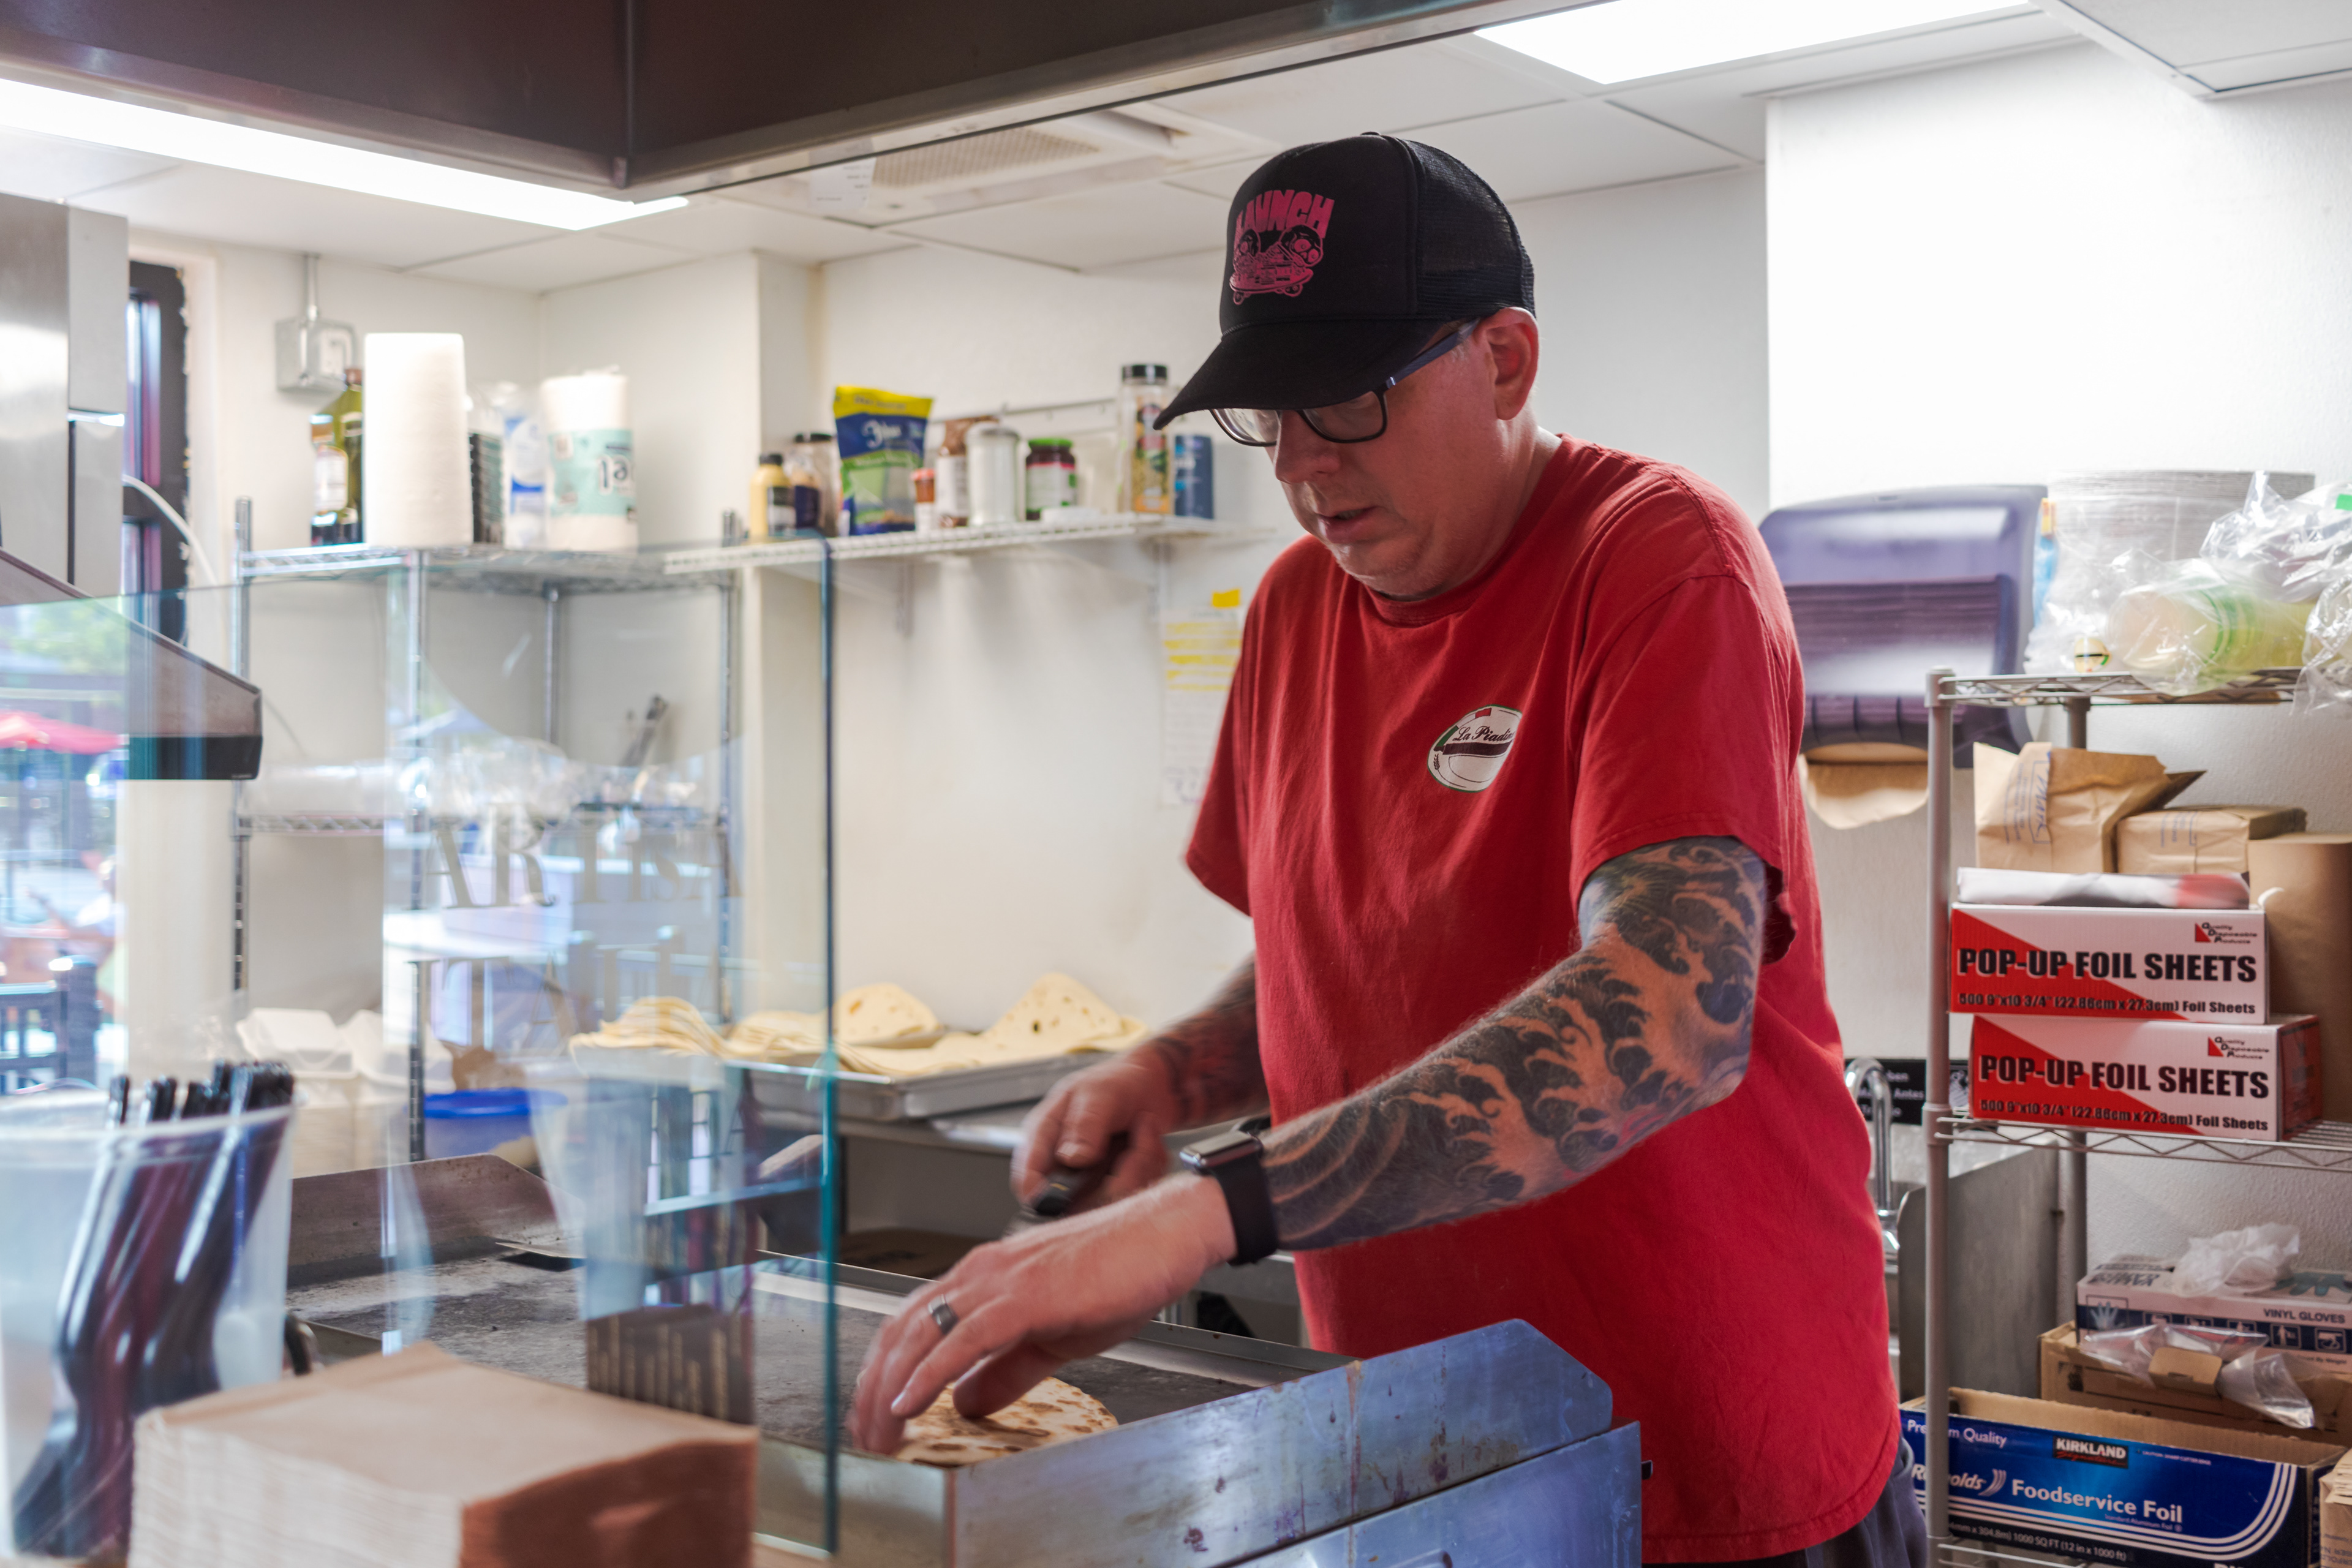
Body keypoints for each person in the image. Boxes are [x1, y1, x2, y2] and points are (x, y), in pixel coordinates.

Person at [850, 134, 1917, 1568]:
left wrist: (1207, 1213)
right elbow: (1342, 946)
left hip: (1703, 1455)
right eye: (1269, 416)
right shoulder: (1296, 608)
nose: (1300, 468)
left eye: (1345, 403)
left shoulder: (1659, 558)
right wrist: (1174, 1075)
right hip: (1417, 1436)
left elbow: (1670, 1010)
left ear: (1507, 361)